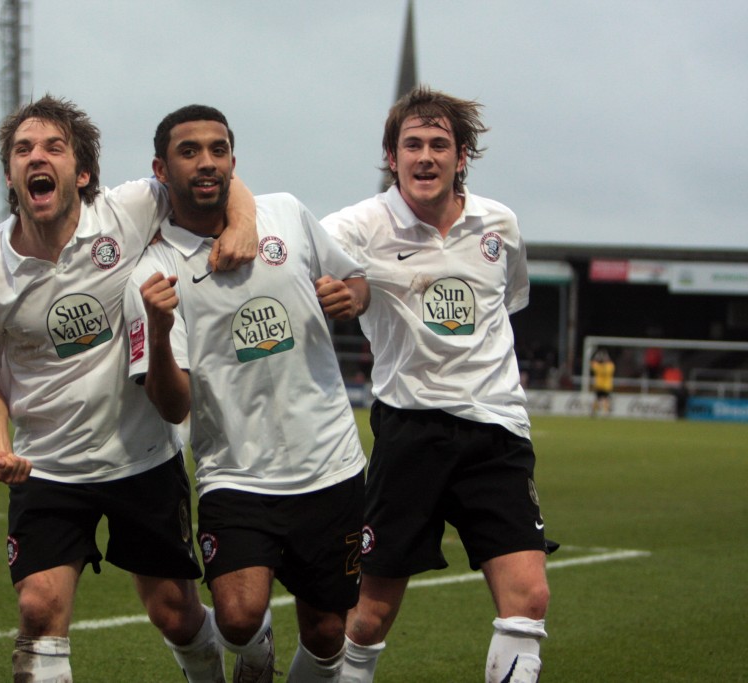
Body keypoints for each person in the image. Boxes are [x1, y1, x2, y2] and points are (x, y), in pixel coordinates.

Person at [0, 95, 258, 682]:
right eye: (23, 149)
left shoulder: (125, 212)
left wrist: (243, 223)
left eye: (54, 147)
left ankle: (232, 662)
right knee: (39, 609)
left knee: (174, 615)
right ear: (11, 173)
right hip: (48, 469)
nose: (38, 157)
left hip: (140, 458)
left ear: (81, 173)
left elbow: (209, 182)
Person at [127, 104, 370, 682]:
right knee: (237, 618)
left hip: (329, 464)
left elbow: (355, 277)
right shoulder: (153, 268)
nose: (206, 162)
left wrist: (352, 297)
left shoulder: (285, 213)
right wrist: (159, 332)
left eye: (218, 149)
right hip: (235, 472)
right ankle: (254, 648)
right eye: (189, 152)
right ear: (161, 169)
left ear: (234, 160)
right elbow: (173, 405)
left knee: (329, 632)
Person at [321, 86, 554, 683]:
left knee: (528, 601)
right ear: (391, 156)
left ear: (462, 156)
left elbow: (509, 301)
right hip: (411, 430)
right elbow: (307, 263)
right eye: (413, 145)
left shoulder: (499, 223)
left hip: (498, 432)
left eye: (440, 145)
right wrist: (351, 292)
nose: (426, 157)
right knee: (370, 617)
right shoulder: (357, 226)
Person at [590, 348, 615, 416]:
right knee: (605, 399)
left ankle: (593, 411)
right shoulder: (610, 366)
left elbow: (592, 364)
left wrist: (596, 357)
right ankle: (605, 412)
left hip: (599, 385)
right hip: (606, 385)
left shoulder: (598, 366)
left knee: (598, 399)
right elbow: (610, 368)